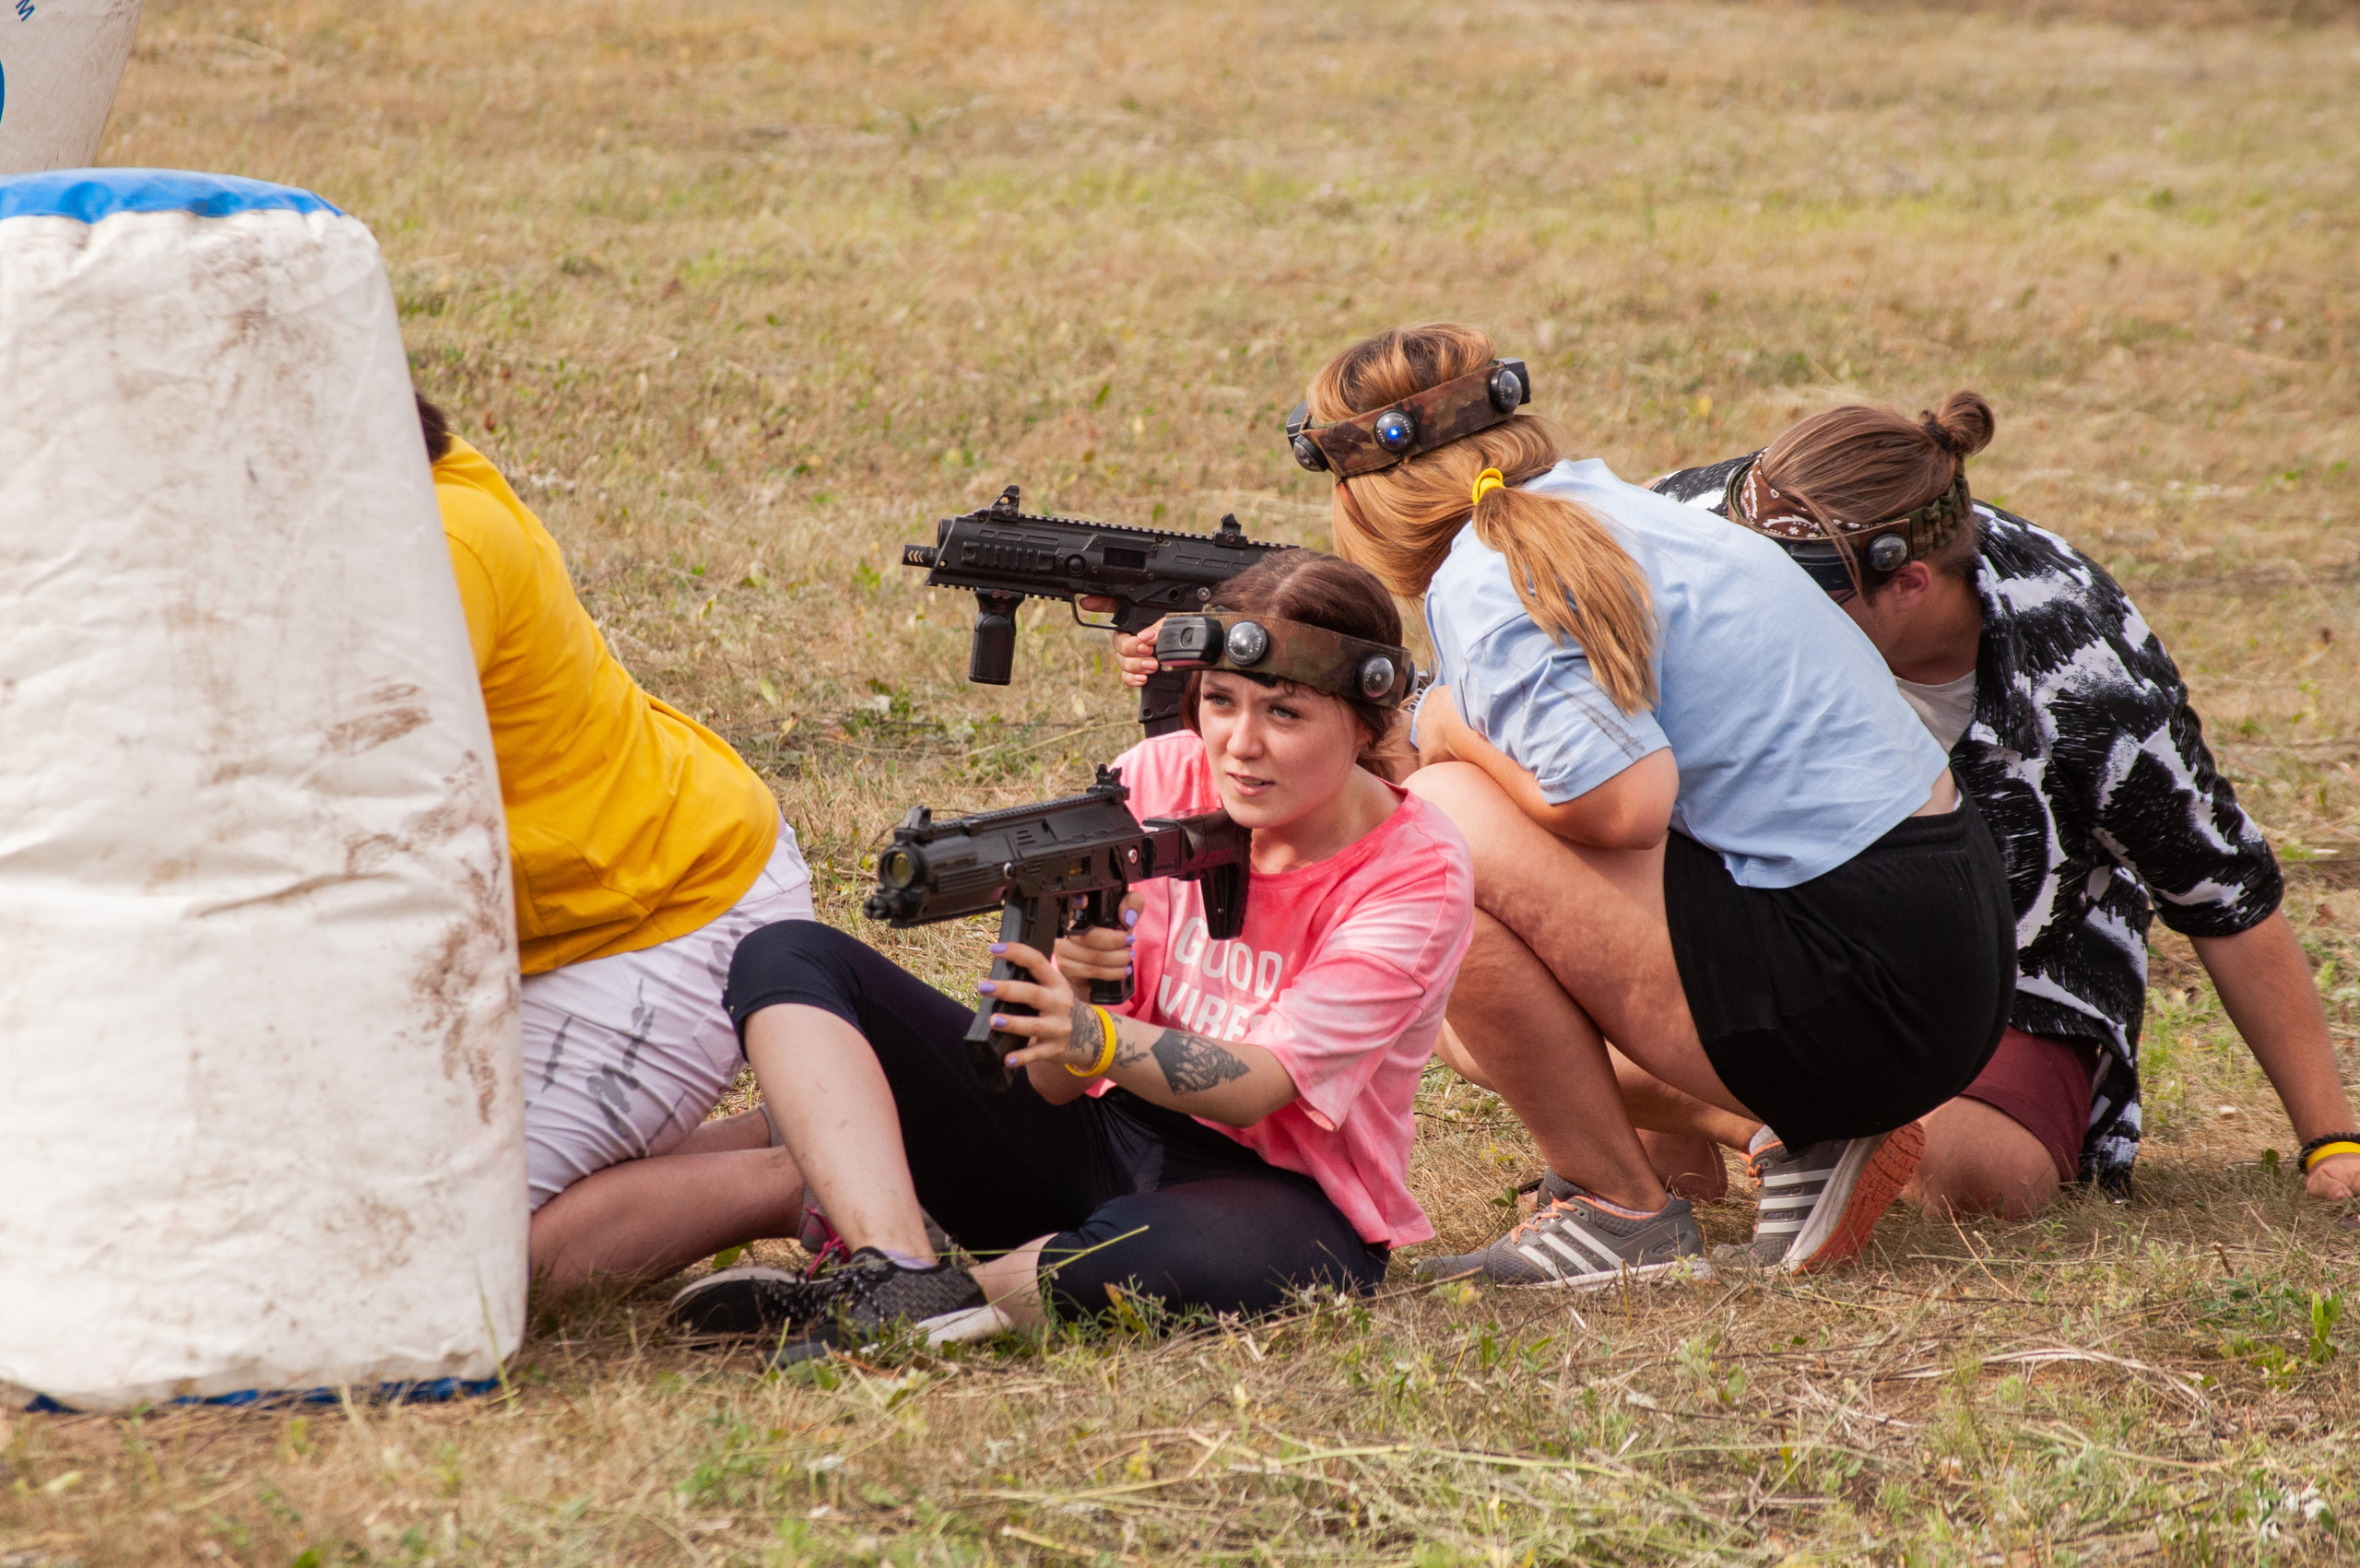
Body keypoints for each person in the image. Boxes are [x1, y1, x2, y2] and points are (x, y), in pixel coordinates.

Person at [1246, 322, 2016, 1284]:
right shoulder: (1608, 507)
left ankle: (1619, 1209)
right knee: (1464, 986)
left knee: (1428, 826)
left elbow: (1624, 807)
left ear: (1355, 496)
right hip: (1944, 950)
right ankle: (1803, 1136)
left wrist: (1445, 733)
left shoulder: (1494, 576)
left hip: (1866, 994)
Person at [667, 551, 1473, 1363]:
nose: (1240, 744)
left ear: (1367, 721)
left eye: (1285, 714)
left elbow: (1257, 1089)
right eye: (1221, 702)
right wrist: (1073, 995)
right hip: (1097, 1131)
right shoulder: (1152, 780)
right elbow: (1049, 1085)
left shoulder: (1415, 870)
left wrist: (1094, 1037)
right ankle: (894, 1267)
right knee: (789, 954)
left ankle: (930, 1303)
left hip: (1286, 1198)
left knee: (1129, 1257)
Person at [1649, 395, 2360, 1216]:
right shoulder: (1688, 529)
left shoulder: (2079, 656)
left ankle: (1772, 1119)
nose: (1754, 608)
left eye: (1801, 594)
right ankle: (1744, 1139)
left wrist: (2331, 1140)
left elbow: (2220, 887)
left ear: (1909, 581)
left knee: (1988, 1177)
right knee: (1552, 1025)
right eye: (1743, 574)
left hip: (2004, 967)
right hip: (1756, 916)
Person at [418, 395, 817, 1295]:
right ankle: (825, 1120)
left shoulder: (438, 546)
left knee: (452, 1272)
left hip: (666, 917)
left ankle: (814, 1180)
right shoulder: (381, 502)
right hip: (539, 924)